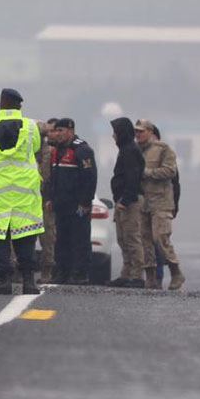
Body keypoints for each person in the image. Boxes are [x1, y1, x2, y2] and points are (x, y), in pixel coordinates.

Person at [0, 89, 44, 295]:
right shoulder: (31, 127)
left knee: (0, 240)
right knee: (26, 239)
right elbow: (35, 148)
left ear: (1, 103)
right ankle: (28, 281)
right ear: (18, 106)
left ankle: (4, 282)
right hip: (25, 193)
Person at [136, 119, 184, 290]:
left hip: (161, 201)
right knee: (145, 240)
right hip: (143, 200)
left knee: (160, 237)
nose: (138, 134)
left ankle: (176, 272)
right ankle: (150, 276)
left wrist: (147, 173)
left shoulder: (163, 149)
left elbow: (170, 171)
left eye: (141, 131)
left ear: (150, 132)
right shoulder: (136, 151)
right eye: (136, 132)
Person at [48, 118, 97, 283]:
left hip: (77, 205)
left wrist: (85, 202)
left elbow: (90, 178)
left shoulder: (81, 150)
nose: (58, 134)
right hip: (61, 204)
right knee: (61, 239)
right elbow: (52, 178)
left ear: (70, 131)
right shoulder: (56, 151)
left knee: (80, 239)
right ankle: (62, 272)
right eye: (57, 131)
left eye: (61, 131)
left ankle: (80, 273)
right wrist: (50, 199)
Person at [108, 116, 147, 287]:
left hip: (129, 202)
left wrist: (126, 198)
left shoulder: (130, 150)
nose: (113, 136)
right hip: (123, 201)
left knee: (132, 238)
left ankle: (137, 276)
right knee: (122, 238)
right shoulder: (126, 149)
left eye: (115, 132)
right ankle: (126, 273)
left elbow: (133, 177)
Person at [37, 117, 58, 282]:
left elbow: (54, 177)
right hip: (28, 199)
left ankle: (47, 271)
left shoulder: (51, 151)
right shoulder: (25, 151)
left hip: (45, 199)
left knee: (48, 237)